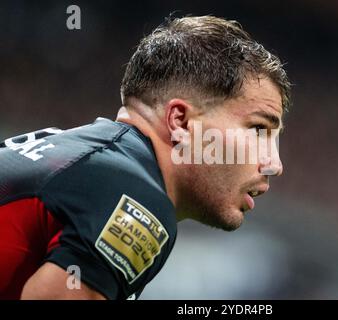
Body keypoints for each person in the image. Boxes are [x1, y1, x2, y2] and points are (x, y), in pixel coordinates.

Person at [0, 15, 291, 300]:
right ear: (182, 122)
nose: (274, 164)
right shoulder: (135, 199)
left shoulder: (72, 156)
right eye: (258, 129)